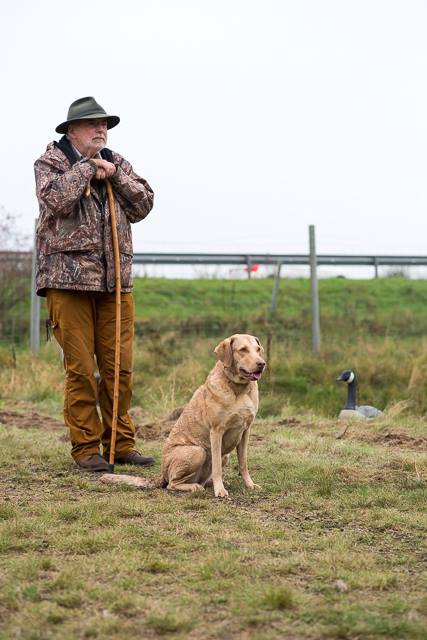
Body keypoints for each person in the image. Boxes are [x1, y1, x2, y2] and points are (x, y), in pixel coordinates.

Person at [34, 96, 155, 472]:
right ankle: (87, 448)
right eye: (93, 125)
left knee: (119, 369)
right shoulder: (51, 162)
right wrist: (88, 169)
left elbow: (144, 203)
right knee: (82, 370)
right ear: (72, 131)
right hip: (67, 285)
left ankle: (120, 443)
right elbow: (55, 200)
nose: (101, 130)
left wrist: (114, 174)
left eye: (105, 125)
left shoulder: (117, 162)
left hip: (115, 284)